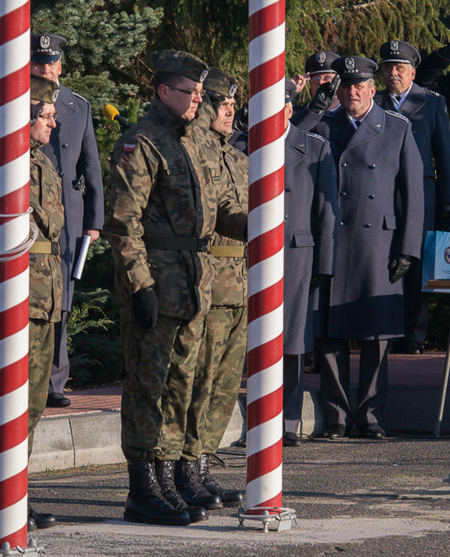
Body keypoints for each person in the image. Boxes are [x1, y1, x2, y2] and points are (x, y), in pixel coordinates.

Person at [103, 50, 247, 526]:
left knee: (180, 385)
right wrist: (139, 284)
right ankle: (142, 488)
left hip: (196, 278)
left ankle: (168, 479)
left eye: (201, 94)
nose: (197, 102)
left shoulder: (200, 144)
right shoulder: (142, 143)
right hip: (159, 278)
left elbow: (224, 207)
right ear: (164, 91)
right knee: (150, 383)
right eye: (190, 93)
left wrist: (260, 223)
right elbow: (123, 223)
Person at [0, 34, 104, 409]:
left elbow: (91, 164)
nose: (44, 72)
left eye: (49, 66)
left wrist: (94, 218)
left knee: (60, 299)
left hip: (63, 214)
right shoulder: (10, 105)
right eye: (35, 66)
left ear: (60, 66)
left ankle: (54, 379)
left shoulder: (76, 105)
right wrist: (7, 80)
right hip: (17, 218)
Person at [0, 74, 63, 531]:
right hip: (7, 291)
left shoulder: (43, 162)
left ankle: (15, 490)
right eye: (45, 114)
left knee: (33, 401)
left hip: (43, 294)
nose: (54, 122)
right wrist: (9, 82)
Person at [312, 55, 424, 440]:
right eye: (345, 87)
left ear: (373, 90)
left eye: (359, 86)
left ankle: (371, 414)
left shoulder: (396, 128)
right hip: (334, 241)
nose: (352, 92)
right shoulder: (324, 126)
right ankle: (337, 416)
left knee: (377, 335)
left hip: (380, 242)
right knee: (331, 336)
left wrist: (408, 248)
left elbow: (413, 192)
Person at [188, 68, 246, 504]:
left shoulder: (238, 157)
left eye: (233, 106)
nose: (231, 112)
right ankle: (187, 464)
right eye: (224, 105)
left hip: (240, 284)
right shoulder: (197, 152)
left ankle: (204, 461)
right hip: (210, 280)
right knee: (201, 381)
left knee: (226, 385)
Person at [376, 40, 450, 355]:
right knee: (385, 262)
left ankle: (414, 333)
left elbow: (444, 154)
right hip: (381, 193)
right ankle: (388, 329)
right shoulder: (376, 101)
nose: (393, 73)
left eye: (399, 68)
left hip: (419, 195)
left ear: (412, 72)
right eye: (388, 67)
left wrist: (447, 200)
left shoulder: (432, 102)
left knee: (415, 265)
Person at [280, 79, 339, 446]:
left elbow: (326, 213)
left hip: (298, 256)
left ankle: (287, 420)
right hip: (248, 260)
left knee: (292, 343)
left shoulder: (315, 148)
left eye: (281, 104)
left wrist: (324, 265)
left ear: (290, 108)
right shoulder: (242, 145)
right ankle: (255, 418)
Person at [290, 51, 342, 132]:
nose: (320, 82)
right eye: (316, 79)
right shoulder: (300, 115)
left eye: (327, 78)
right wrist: (290, 91)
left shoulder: (350, 115)